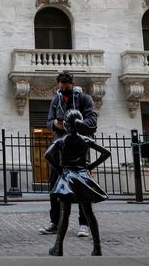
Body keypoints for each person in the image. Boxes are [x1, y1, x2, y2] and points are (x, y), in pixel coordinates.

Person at [39, 71, 98, 238]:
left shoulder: (84, 99)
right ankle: (54, 222)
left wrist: (73, 124)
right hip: (60, 147)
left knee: (82, 187)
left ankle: (83, 224)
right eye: (61, 88)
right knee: (55, 185)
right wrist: (55, 124)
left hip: (78, 147)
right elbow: (49, 122)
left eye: (66, 88)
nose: (63, 91)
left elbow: (92, 122)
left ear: (72, 84)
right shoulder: (56, 100)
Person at [44, 109, 111, 256]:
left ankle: (58, 247)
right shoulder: (86, 140)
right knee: (89, 213)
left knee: (64, 213)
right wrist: (91, 166)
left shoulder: (61, 141)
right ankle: (97, 247)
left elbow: (47, 155)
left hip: (67, 177)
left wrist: (59, 168)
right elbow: (106, 153)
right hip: (83, 177)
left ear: (66, 126)